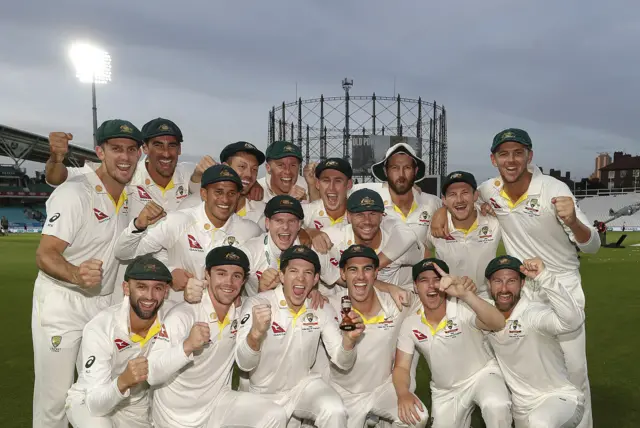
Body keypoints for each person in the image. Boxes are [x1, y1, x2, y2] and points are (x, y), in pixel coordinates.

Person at [431, 128, 600, 428]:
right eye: (504, 154)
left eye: (518, 153)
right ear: (493, 159)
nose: (511, 160)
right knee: (518, 362)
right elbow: (462, 197)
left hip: (561, 285)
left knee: (574, 372)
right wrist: (440, 212)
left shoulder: (552, 188)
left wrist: (573, 220)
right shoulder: (489, 189)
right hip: (520, 288)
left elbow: (593, 245)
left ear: (529, 157)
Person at [32, 120, 143, 428]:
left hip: (102, 306)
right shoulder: (75, 192)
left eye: (132, 149)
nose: (125, 156)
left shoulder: (130, 195)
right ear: (100, 152)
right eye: (116, 148)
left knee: (95, 395)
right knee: (53, 403)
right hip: (63, 304)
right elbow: (45, 254)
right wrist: (76, 275)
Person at [147, 246, 287, 428]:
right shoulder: (183, 314)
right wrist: (186, 346)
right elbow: (151, 375)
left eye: (236, 276)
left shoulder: (243, 311)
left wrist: (313, 292)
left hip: (218, 404)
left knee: (274, 415)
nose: (228, 282)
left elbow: (248, 362)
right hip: (175, 417)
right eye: (221, 273)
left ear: (244, 281)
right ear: (207, 275)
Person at [235, 245, 364, 427]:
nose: (301, 278)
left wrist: (349, 341)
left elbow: (343, 362)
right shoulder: (257, 303)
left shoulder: (321, 308)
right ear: (282, 276)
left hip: (301, 387)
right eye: (293, 271)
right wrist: (255, 335)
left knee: (334, 410)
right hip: (263, 394)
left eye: (308, 273)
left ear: (316, 279)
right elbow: (244, 364)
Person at [114, 164, 262, 301]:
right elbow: (124, 252)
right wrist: (168, 273)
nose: (225, 199)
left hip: (223, 321)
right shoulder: (177, 221)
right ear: (204, 193)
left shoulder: (250, 231)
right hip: (177, 313)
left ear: (238, 196)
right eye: (218, 192)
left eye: (231, 193)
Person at [393, 258, 511, 428]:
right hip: (446, 391)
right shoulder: (411, 323)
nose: (431, 286)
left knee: (496, 405)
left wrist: (466, 295)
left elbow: (499, 323)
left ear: (446, 283)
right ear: (415, 286)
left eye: (437, 279)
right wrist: (403, 393)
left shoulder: (464, 307)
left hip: (482, 376)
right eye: (424, 280)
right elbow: (402, 367)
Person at [327, 244, 429, 428]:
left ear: (375, 273)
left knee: (417, 417)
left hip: (383, 388)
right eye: (353, 270)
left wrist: (458, 288)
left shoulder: (397, 302)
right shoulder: (329, 307)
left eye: (367, 269)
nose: (360, 276)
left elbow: (430, 301)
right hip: (344, 393)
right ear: (343, 274)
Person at [65, 255, 172, 428]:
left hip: (135, 403)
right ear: (126, 288)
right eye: (142, 287)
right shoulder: (101, 327)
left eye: (158, 288)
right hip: (89, 400)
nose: (150, 296)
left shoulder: (172, 317)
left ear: (166, 291)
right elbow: (95, 404)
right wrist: (123, 381)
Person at [484, 255, 585, 428]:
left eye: (511, 281)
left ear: (522, 283)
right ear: (488, 285)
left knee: (539, 422)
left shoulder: (533, 313)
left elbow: (572, 321)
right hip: (521, 410)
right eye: (497, 281)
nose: (504, 288)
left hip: (559, 399)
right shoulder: (485, 315)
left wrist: (545, 276)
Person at [45, 118, 194, 215]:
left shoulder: (189, 172)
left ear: (179, 149)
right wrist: (56, 159)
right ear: (145, 149)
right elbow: (56, 178)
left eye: (172, 145)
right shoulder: (125, 171)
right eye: (158, 145)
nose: (166, 154)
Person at [314, 189, 424, 290]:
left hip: (391, 305)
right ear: (348, 217)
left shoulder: (398, 242)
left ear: (382, 216)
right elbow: (313, 255)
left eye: (372, 214)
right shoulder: (335, 237)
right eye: (359, 214)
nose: (367, 221)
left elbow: (426, 258)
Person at [238, 195, 341, 297]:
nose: (285, 227)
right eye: (279, 221)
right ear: (267, 223)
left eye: (291, 221)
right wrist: (260, 292)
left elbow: (342, 280)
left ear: (300, 225)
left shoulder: (312, 249)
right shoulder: (249, 252)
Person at [425, 171, 501, 298]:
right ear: (444, 200)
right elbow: (422, 251)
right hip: (450, 301)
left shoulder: (494, 222)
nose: (459, 200)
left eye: (465, 193)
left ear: (475, 195)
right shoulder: (436, 227)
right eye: (452, 194)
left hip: (485, 299)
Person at [354, 142, 441, 249]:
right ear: (386, 171)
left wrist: (443, 212)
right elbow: (338, 193)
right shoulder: (370, 197)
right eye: (395, 168)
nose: (401, 174)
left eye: (407, 167)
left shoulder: (432, 203)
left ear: (415, 171)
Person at [186, 141, 267, 227]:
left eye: (254, 169)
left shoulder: (262, 212)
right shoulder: (194, 204)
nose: (249, 174)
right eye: (242, 167)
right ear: (225, 167)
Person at [301, 158, 352, 230]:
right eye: (326, 181)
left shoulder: (360, 216)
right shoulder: (305, 212)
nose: (331, 188)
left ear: (349, 184)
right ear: (318, 184)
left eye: (338, 181)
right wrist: (306, 233)